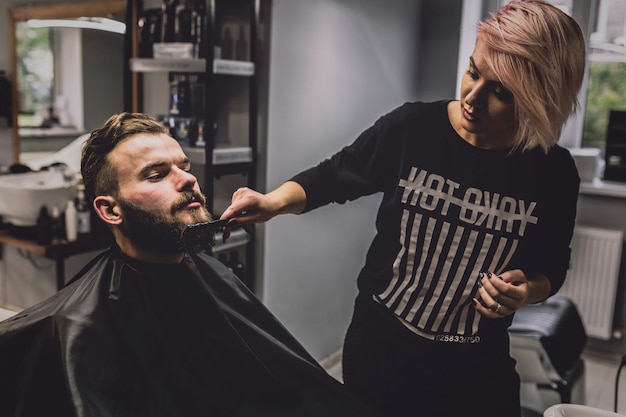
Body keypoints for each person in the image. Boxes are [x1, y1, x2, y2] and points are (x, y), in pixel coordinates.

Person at [220, 1, 586, 416]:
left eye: (501, 92)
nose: (473, 96)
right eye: (473, 71)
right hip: (382, 352)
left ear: (541, 99)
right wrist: (270, 202)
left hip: (474, 367)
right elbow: (333, 176)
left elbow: (551, 268)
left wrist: (524, 292)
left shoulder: (553, 173)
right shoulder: (413, 129)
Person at [0, 112, 381, 417]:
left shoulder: (215, 277)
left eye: (183, 166)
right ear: (110, 209)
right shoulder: (75, 324)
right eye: (157, 174)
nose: (187, 179)